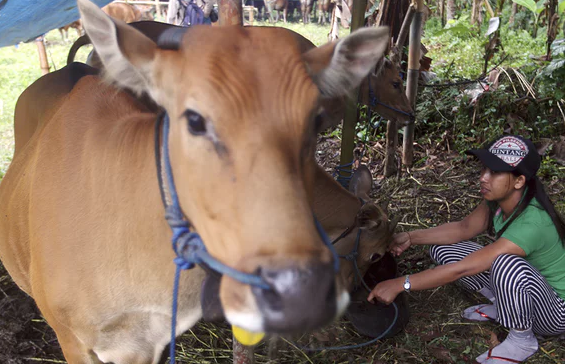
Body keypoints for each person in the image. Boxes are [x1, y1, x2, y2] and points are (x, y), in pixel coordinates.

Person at [368, 135, 565, 364]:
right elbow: (463, 228)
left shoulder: (533, 223)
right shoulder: (497, 200)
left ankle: (522, 339)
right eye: (484, 169)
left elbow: (462, 270)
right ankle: (504, 306)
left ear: (519, 181)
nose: (483, 178)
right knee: (443, 249)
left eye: (494, 173)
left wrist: (401, 283)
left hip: (555, 312)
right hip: (527, 286)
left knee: (505, 263)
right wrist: (411, 237)